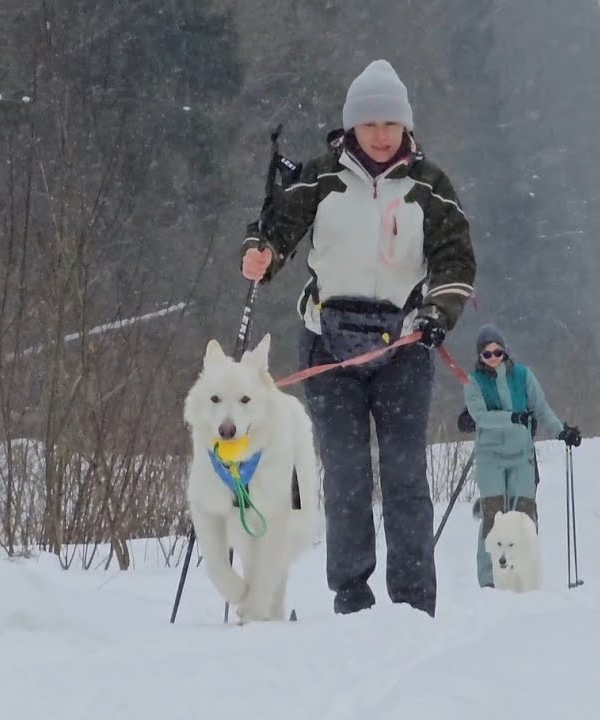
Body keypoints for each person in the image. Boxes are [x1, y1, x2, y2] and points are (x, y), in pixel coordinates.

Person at [239, 59, 476, 617]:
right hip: (328, 347)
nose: (379, 134)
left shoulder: (431, 187)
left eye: (389, 124)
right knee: (345, 473)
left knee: (403, 474)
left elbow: (456, 261)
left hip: (404, 350)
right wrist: (260, 255)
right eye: (369, 124)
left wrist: (439, 313)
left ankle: (414, 603)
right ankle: (352, 598)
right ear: (351, 127)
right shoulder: (321, 178)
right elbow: (273, 230)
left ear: (405, 127)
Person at [463, 324, 580, 588]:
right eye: (487, 354)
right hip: (490, 456)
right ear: (479, 357)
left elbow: (541, 408)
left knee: (524, 518)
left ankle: (526, 576)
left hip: (521, 455)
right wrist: (512, 417)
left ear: (505, 351)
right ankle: (490, 581)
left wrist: (562, 432)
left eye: (497, 351)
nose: (493, 357)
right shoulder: (473, 382)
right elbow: (480, 417)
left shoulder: (523, 376)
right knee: (493, 518)